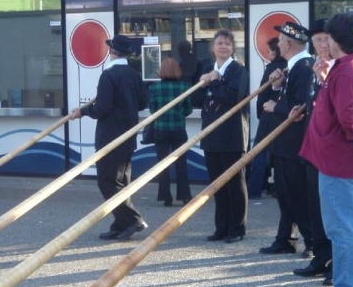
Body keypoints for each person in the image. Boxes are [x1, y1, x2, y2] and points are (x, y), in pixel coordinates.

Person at [300, 12, 353, 287]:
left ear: (337, 39)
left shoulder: (347, 70)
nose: (326, 43)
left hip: (337, 157)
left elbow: (346, 116)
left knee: (342, 226)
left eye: (328, 38)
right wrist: (324, 79)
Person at [70, 34, 148, 240]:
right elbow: (141, 104)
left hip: (110, 136)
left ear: (111, 52)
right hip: (129, 134)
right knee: (121, 182)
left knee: (107, 182)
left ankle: (132, 219)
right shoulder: (133, 74)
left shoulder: (109, 75)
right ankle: (121, 223)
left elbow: (102, 108)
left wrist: (84, 112)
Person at [259, 22, 314, 256]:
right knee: (284, 193)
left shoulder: (303, 67)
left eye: (280, 40)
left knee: (296, 194)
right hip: (284, 144)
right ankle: (285, 238)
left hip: (293, 145)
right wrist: (278, 87)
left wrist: (275, 106)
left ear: (288, 43)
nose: (278, 44)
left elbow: (301, 107)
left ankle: (311, 241)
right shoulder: (293, 67)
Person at [292, 18, 334, 280]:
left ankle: (336, 263)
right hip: (312, 148)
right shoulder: (312, 69)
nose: (321, 44)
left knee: (333, 209)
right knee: (315, 206)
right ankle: (321, 257)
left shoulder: (339, 69)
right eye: (317, 40)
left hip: (330, 151)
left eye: (325, 39)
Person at [199, 29, 249, 244]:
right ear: (213, 47)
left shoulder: (238, 70)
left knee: (235, 185)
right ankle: (221, 227)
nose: (223, 47)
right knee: (216, 185)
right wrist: (207, 81)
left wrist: (214, 81)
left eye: (228, 43)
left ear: (232, 48)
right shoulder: (207, 70)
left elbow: (232, 96)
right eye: (219, 43)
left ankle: (236, 228)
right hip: (211, 135)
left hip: (232, 136)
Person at [148, 57, 193, 207]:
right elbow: (189, 109)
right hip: (179, 129)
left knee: (162, 164)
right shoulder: (185, 87)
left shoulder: (154, 88)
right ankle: (185, 195)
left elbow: (153, 110)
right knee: (181, 164)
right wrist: (179, 114)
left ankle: (166, 197)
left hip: (160, 130)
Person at [247, 37, 287, 199]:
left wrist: (260, 112)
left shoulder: (272, 68)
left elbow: (262, 93)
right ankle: (278, 187)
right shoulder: (289, 66)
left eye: (270, 51)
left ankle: (255, 187)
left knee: (260, 151)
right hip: (284, 115)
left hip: (269, 115)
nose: (269, 55)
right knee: (280, 153)